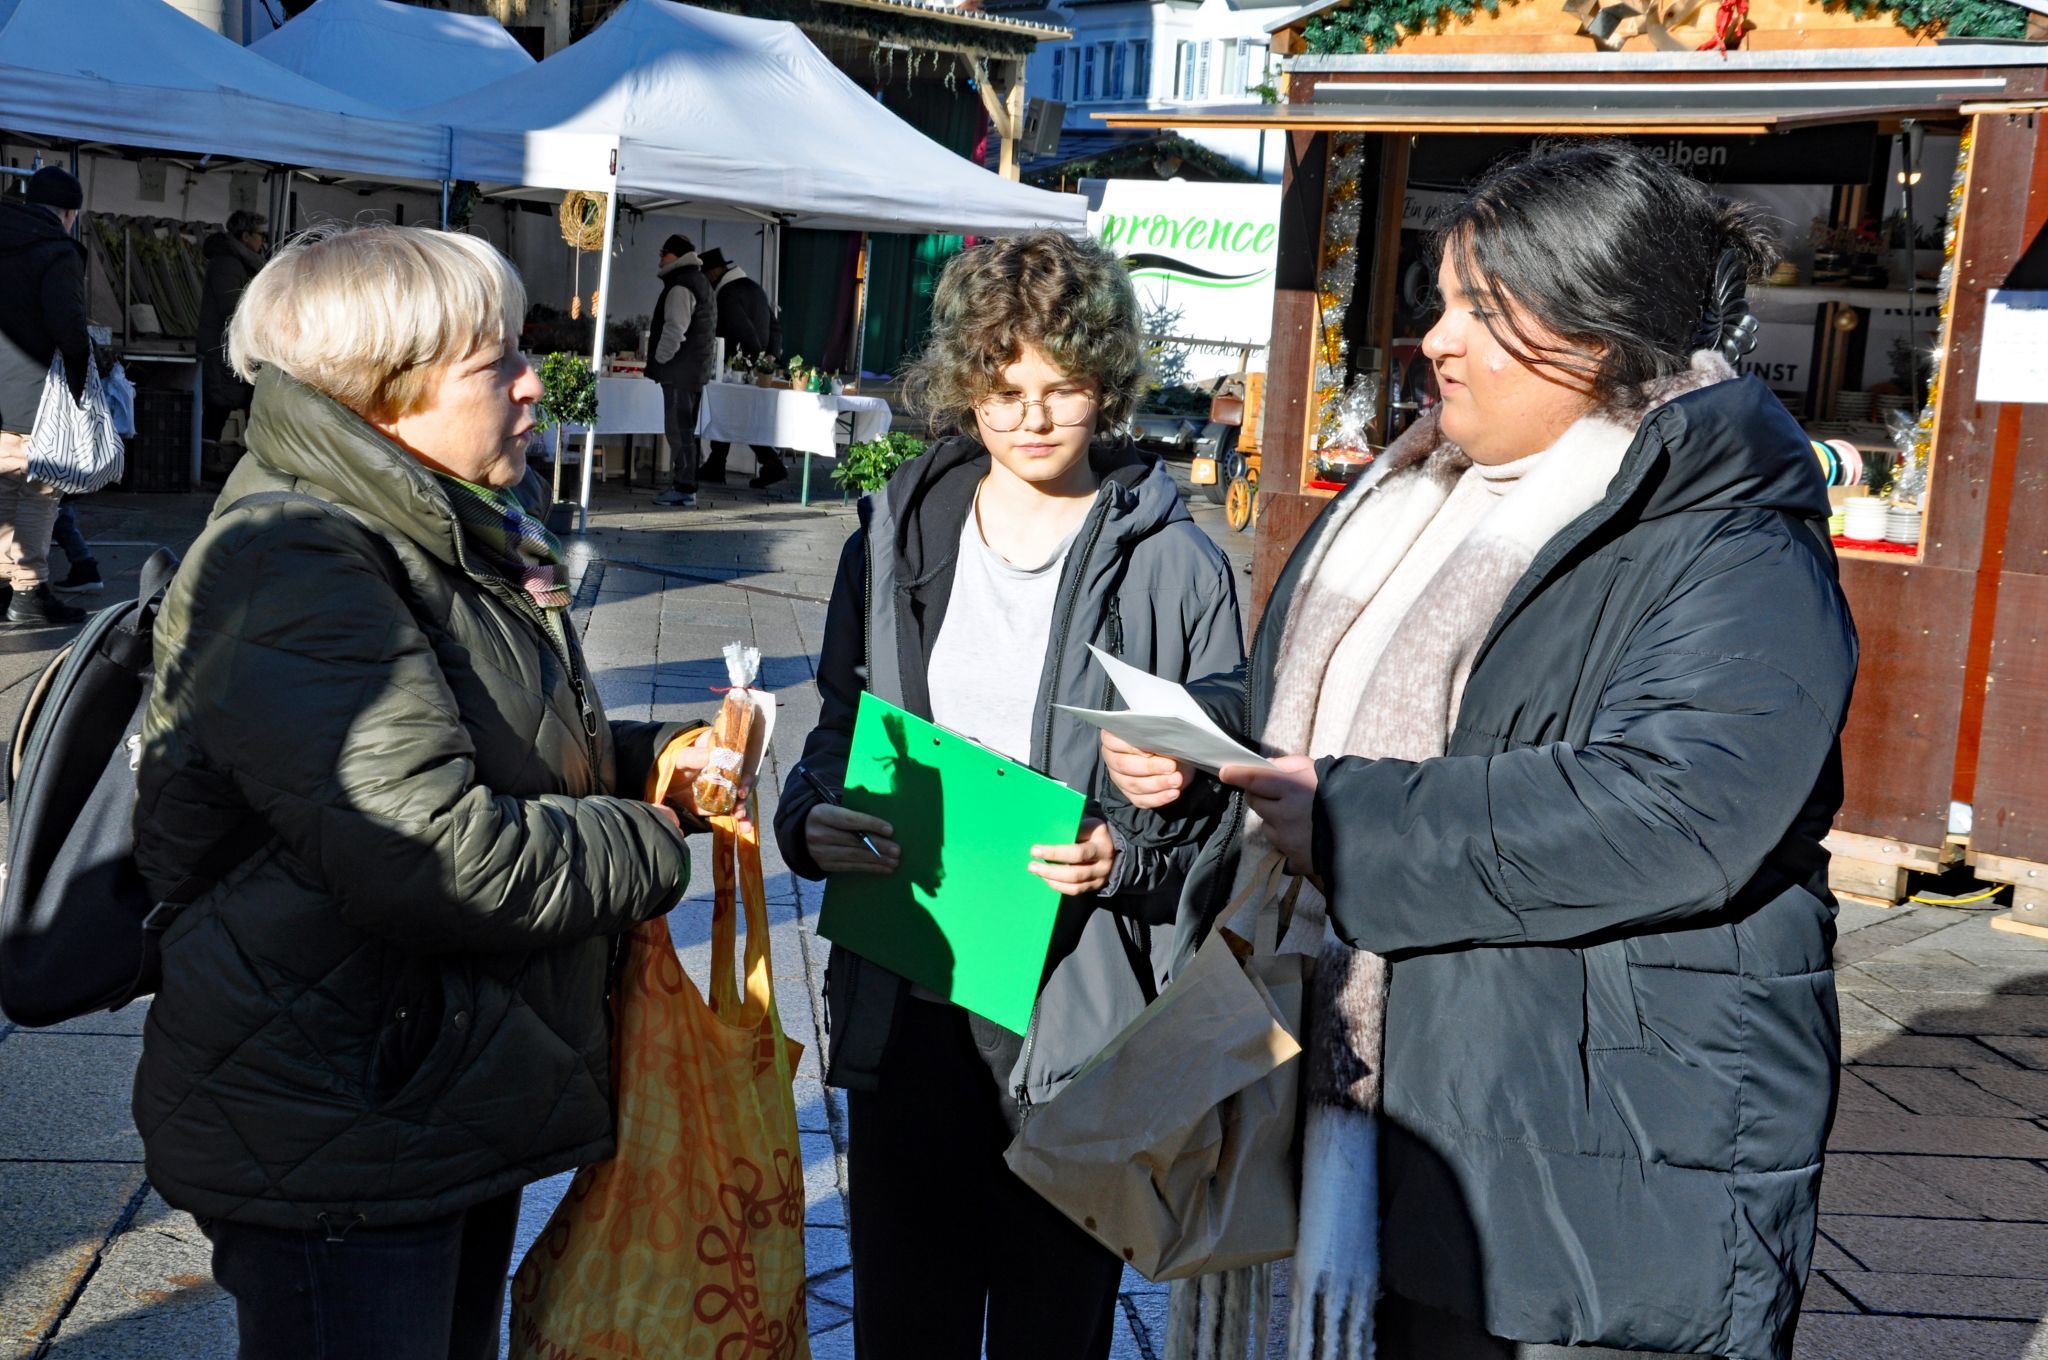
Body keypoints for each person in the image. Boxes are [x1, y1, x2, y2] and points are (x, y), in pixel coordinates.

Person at [1106, 141, 1858, 1360]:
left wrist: (1352, 822)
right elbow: (1336, 704)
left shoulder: (1722, 534)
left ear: (1597, 335)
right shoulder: (1417, 490)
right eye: (1441, 301)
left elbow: (1676, 809)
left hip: (1580, 1124)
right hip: (1385, 1092)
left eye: (1481, 312)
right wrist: (1210, 742)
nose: (1434, 340)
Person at [133, 223, 728, 1360]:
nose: (528, 380)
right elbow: (438, 854)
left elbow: (482, 741)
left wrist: (658, 758)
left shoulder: (436, 521)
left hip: (428, 1084)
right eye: (492, 360)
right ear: (381, 395)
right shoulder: (296, 556)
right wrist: (649, 836)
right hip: (346, 1112)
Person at [773, 230, 1245, 1359]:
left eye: (1062, 388)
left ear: (1108, 385)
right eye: (1002, 386)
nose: (1030, 416)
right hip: (914, 978)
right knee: (905, 1325)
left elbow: (1228, 813)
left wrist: (1130, 845)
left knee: (1051, 1326)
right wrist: (808, 817)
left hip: (1078, 1012)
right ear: (963, 380)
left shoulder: (1174, 560)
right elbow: (838, 725)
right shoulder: (895, 533)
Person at [0, 166, 90, 627]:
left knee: (2, 488)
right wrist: (81, 382)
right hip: (35, 392)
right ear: (69, 213)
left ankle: (3, 583)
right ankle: (30, 592)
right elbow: (67, 325)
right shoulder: (58, 251)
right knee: (39, 492)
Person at [697, 246, 789, 490]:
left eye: (705, 274)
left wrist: (750, 357)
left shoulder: (727, 293)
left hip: (735, 366)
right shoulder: (755, 288)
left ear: (715, 272)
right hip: (754, 368)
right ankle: (719, 464)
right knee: (734, 416)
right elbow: (775, 327)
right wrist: (768, 359)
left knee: (727, 413)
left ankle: (764, 463)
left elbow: (741, 331)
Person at [647, 233, 716, 508]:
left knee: (678, 430)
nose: (660, 257)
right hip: (692, 371)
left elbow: (675, 329)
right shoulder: (698, 281)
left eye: (664, 252)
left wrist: (662, 359)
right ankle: (685, 484)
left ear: (675, 255)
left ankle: (684, 487)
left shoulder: (681, 285)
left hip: (679, 371)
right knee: (685, 430)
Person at [197, 209, 268, 443]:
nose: (263, 240)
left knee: (226, 405)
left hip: (232, 347)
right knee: (218, 408)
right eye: (260, 235)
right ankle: (206, 463)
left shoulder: (238, 262)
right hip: (223, 348)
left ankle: (212, 458)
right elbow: (232, 307)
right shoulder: (228, 263)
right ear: (245, 236)